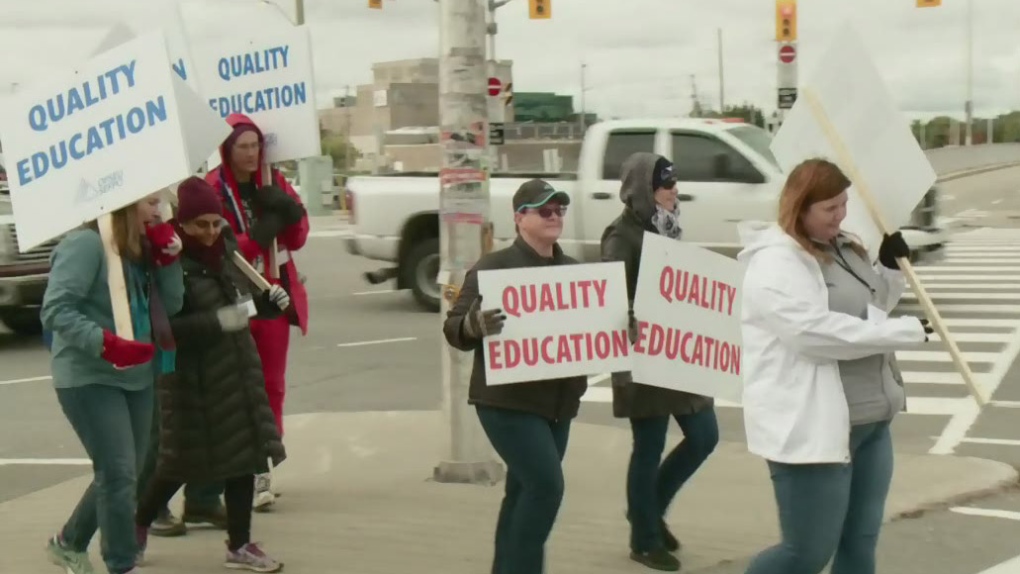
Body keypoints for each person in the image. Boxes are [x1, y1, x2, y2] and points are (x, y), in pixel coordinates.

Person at [736, 158, 933, 574]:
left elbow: (871, 311)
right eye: (830, 208)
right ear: (799, 207)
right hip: (816, 431)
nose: (841, 215)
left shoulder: (844, 247)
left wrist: (890, 271)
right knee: (805, 554)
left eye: (843, 204)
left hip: (872, 423)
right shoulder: (775, 263)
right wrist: (903, 332)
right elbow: (812, 334)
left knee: (859, 543)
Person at [134, 177, 287, 572]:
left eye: (215, 223)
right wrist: (226, 319)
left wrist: (266, 303)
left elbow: (243, 305)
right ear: (182, 224)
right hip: (193, 381)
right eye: (199, 224)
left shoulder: (226, 255)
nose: (209, 232)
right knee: (178, 464)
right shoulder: (172, 265)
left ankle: (240, 545)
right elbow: (170, 329)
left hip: (236, 371)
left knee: (244, 457)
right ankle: (137, 525)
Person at [443, 179, 588, 574]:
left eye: (559, 209)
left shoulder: (575, 271)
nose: (554, 216)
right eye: (545, 210)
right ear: (520, 218)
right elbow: (453, 328)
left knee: (523, 489)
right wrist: (473, 324)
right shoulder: (494, 267)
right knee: (546, 487)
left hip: (558, 404)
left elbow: (596, 330)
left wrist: (619, 327)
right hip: (506, 402)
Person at [41, 195, 184, 574]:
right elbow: (55, 309)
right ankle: (122, 563)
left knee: (124, 474)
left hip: (137, 376)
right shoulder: (86, 244)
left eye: (161, 202)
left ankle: (68, 541)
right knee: (119, 472)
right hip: (89, 376)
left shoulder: (142, 248)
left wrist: (168, 263)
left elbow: (172, 306)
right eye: (150, 202)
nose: (159, 210)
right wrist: (104, 342)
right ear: (125, 203)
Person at [601, 152, 718, 572]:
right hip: (643, 360)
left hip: (678, 354)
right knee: (648, 447)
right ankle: (644, 539)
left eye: (674, 183)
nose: (674, 191)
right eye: (666, 185)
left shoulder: (666, 229)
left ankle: (648, 509)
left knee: (705, 436)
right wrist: (634, 317)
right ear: (643, 192)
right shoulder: (621, 237)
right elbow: (611, 301)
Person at [205, 113, 309, 510]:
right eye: (242, 146)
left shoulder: (273, 182)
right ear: (227, 150)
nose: (250, 154)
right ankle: (232, 472)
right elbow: (222, 253)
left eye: (255, 145)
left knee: (272, 387)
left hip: (275, 299)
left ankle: (264, 470)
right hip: (233, 299)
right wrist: (260, 234)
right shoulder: (214, 189)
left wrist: (290, 212)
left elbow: (297, 239)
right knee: (234, 389)